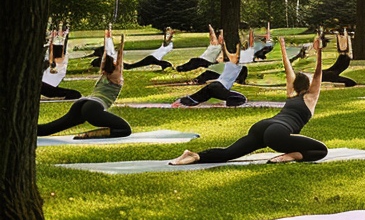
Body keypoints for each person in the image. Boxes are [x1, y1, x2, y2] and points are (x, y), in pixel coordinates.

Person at [170, 35, 327, 165]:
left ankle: (194, 155)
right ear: (308, 85)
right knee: (321, 150)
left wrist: (283, 47)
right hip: (278, 133)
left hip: (261, 126)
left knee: (228, 153)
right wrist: (319, 53)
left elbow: (288, 70)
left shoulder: (291, 93)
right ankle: (290, 156)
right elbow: (318, 73)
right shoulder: (310, 97)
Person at [38, 35, 131, 139]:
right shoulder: (116, 76)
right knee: (125, 129)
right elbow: (118, 61)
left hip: (82, 103)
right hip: (92, 108)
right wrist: (121, 45)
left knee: (47, 129)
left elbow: (107, 58)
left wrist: (108, 38)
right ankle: (87, 135)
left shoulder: (104, 72)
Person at [174, 35, 247, 106]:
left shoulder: (233, 65)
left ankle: (181, 101)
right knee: (242, 98)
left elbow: (228, 53)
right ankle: (229, 104)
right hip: (218, 87)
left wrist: (224, 45)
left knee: (195, 98)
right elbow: (236, 55)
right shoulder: (235, 63)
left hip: (214, 86)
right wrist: (238, 46)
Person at [41, 31, 81, 100]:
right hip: (48, 86)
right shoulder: (60, 64)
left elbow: (52, 58)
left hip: (47, 86)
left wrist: (51, 42)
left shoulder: (57, 64)